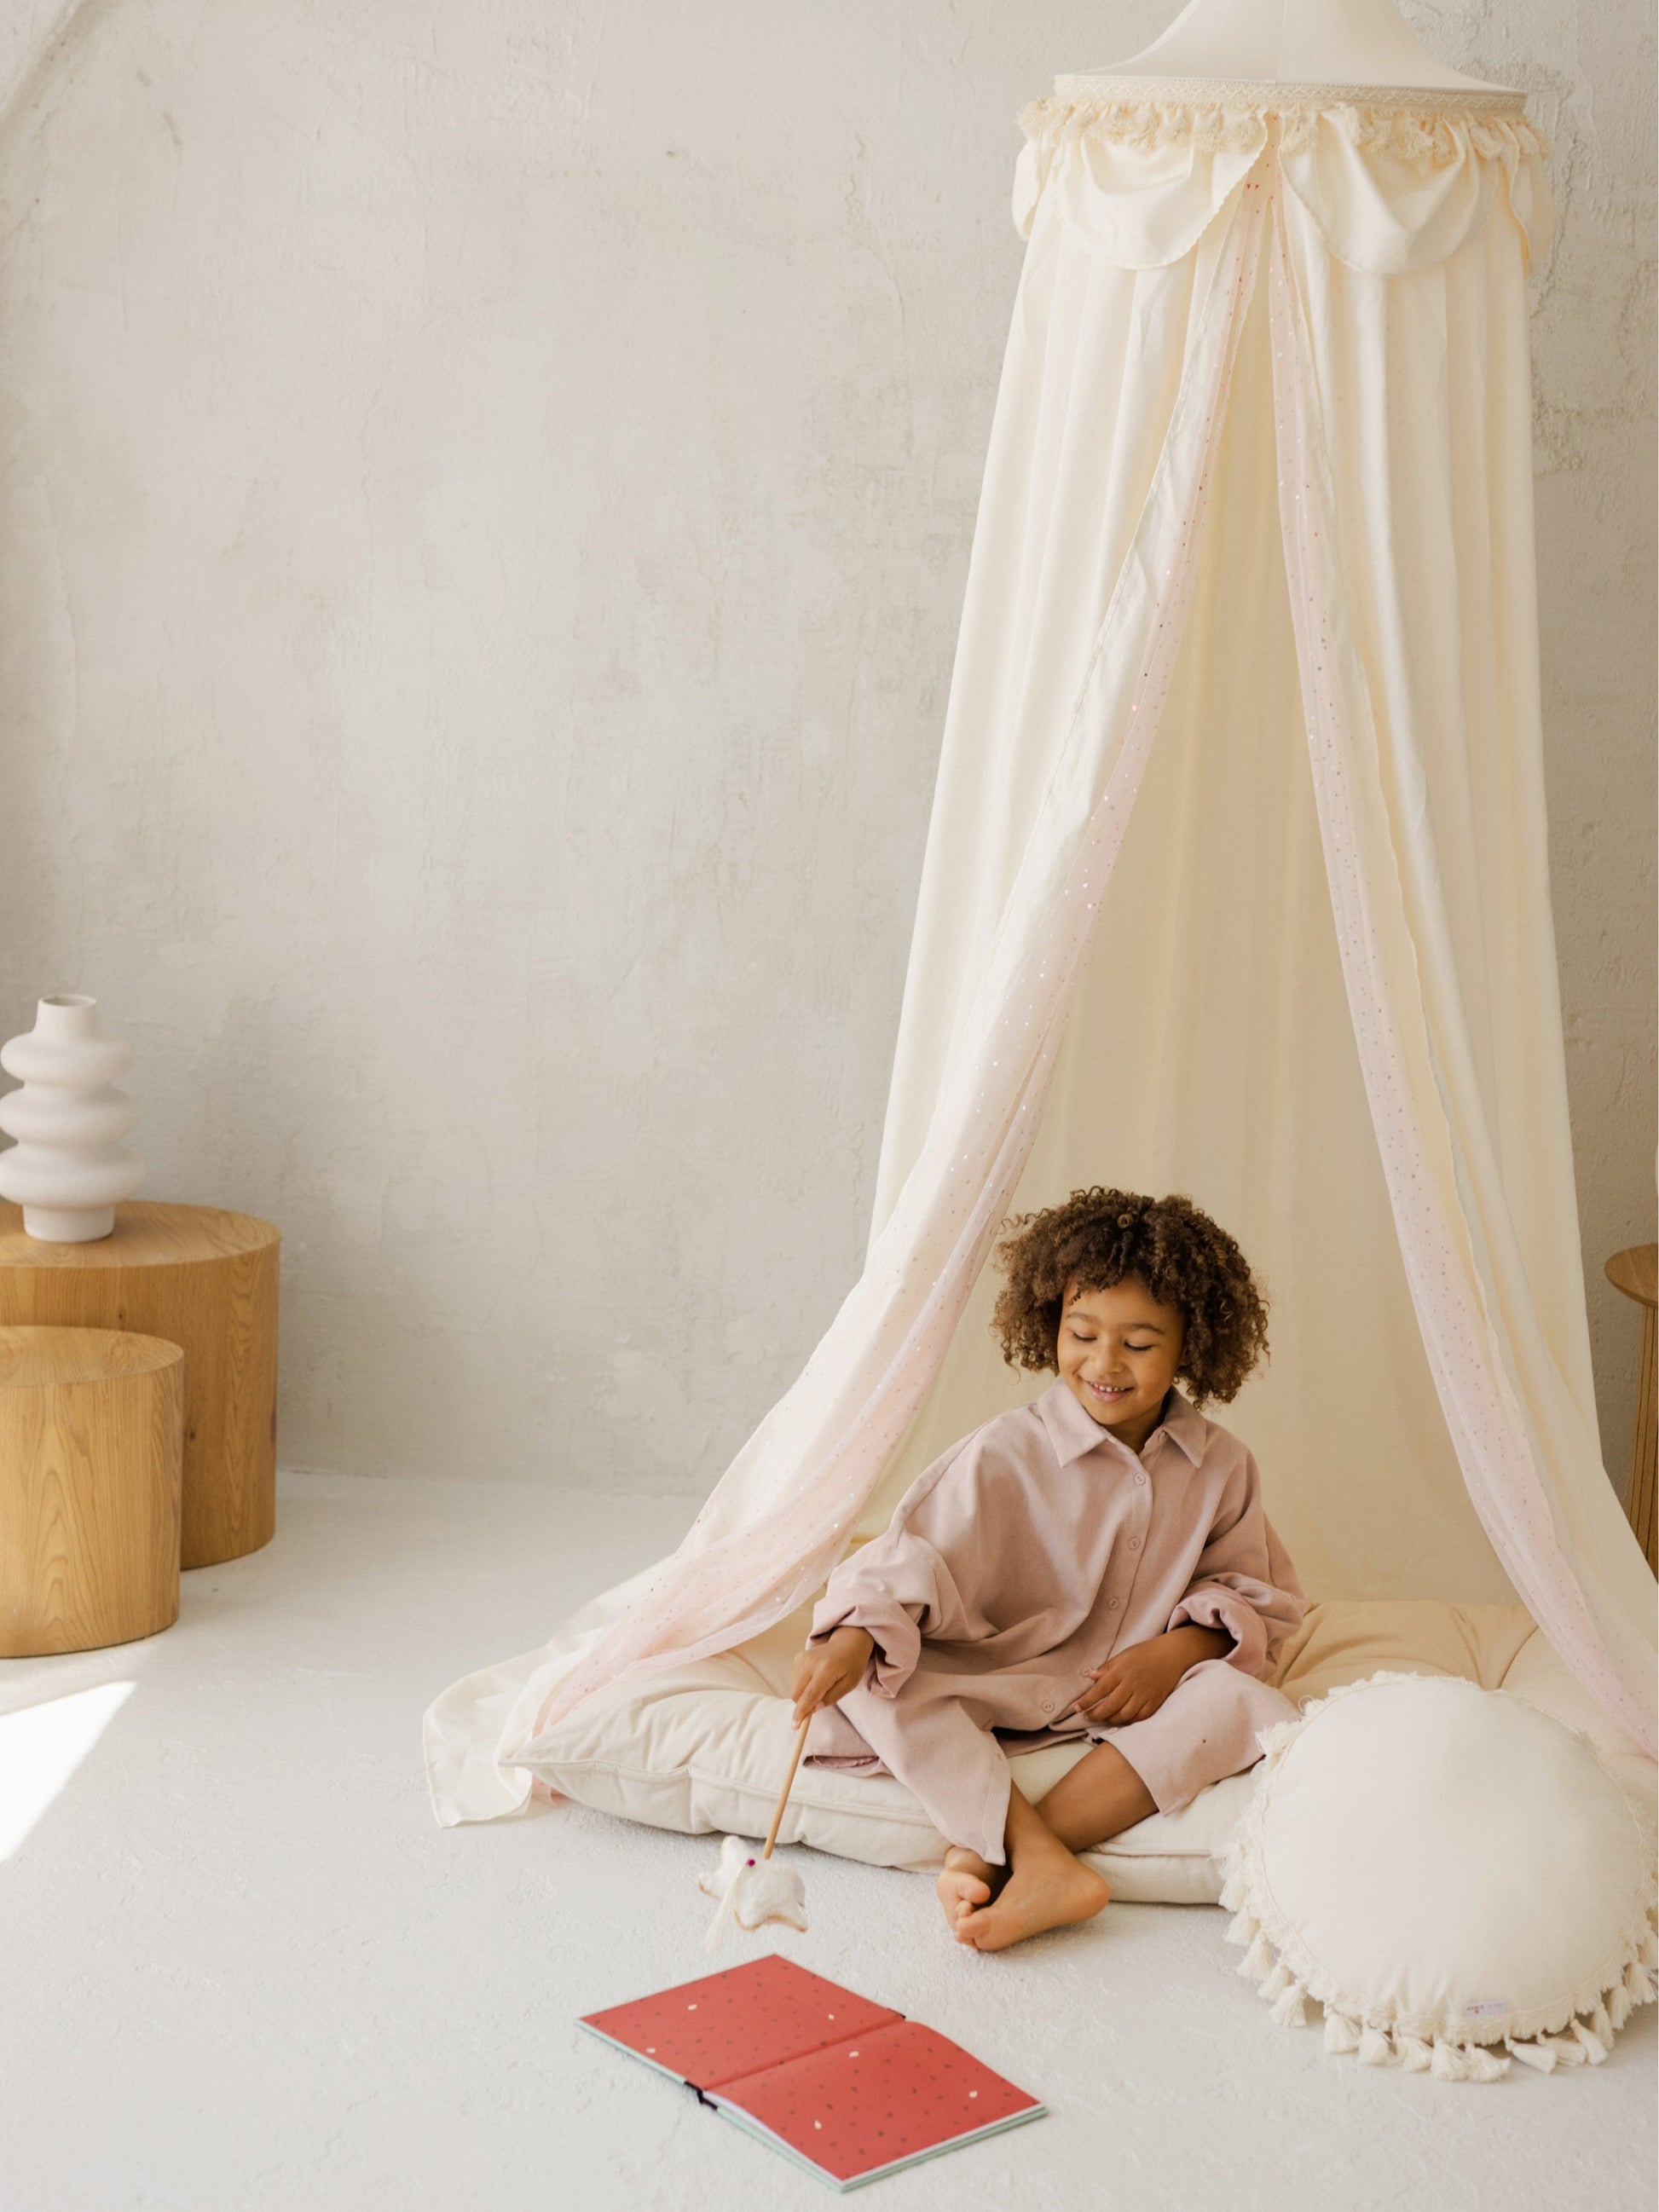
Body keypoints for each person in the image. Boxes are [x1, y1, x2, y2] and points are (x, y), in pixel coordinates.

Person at [790, 1187, 1304, 1952]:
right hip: (1004, 1673)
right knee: (876, 1682)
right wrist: (852, 1639)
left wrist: (1179, 1651)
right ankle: (1031, 1856)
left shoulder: (1224, 1466)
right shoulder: (1003, 1451)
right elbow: (910, 1553)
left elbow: (1255, 1593)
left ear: (1190, 1343)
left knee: (1239, 1700)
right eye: (1082, 1333)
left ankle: (1011, 1853)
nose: (1103, 1363)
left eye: (1138, 1343)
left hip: (1132, 1699)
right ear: (1050, 1327)